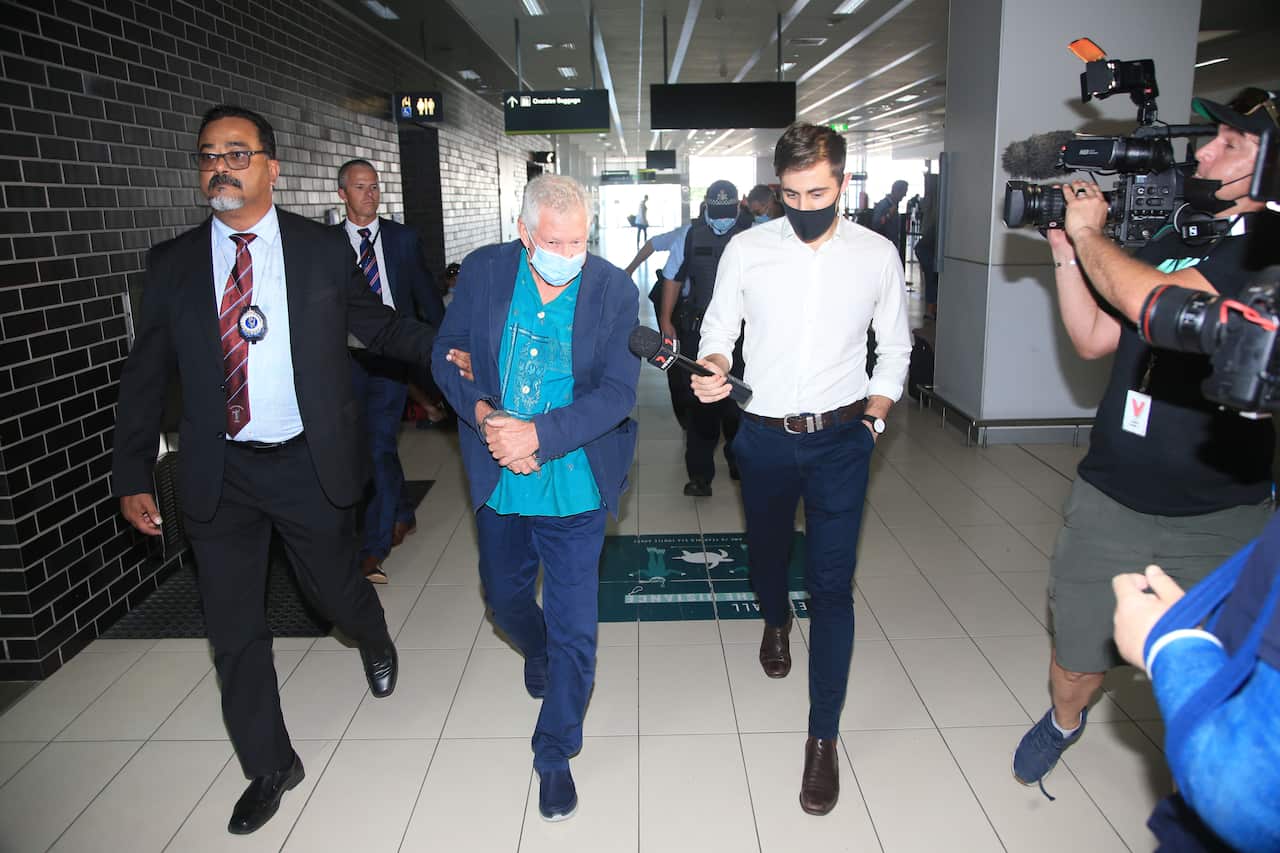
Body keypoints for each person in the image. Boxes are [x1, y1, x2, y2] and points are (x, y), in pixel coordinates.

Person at [112, 105, 435, 835]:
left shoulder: (319, 250)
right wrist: (130, 468)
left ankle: (372, 632)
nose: (219, 167)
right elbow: (145, 374)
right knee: (232, 627)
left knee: (332, 593)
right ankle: (269, 763)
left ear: (272, 167)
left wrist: (446, 350)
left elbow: (377, 323)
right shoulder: (172, 265)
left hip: (303, 460)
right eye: (208, 156)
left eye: (237, 153)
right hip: (217, 470)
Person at [1011, 86, 1279, 799]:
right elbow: (1097, 336)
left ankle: (1209, 777)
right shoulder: (1184, 236)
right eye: (1212, 136)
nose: (1208, 150)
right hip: (1112, 490)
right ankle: (1065, 722)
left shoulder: (1266, 253)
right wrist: (1069, 251)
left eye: (1233, 145)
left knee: (1218, 666)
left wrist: (1096, 235)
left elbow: (1155, 306)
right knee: (1076, 658)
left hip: (1222, 510)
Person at [691, 123, 910, 815]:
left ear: (843, 183)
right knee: (766, 555)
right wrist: (715, 367)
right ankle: (774, 617)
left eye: (818, 191)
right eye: (790, 193)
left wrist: (874, 418)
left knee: (834, 585)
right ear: (777, 189)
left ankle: (823, 738)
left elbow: (895, 346)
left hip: (843, 439)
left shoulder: (875, 254)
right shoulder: (748, 248)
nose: (805, 203)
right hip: (761, 436)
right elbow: (718, 328)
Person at [430, 174, 639, 823]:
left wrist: (539, 435)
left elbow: (617, 393)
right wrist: (491, 416)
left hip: (575, 478)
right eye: (554, 241)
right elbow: (445, 356)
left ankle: (555, 750)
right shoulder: (488, 272)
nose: (568, 253)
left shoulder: (612, 289)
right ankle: (538, 648)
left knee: (577, 624)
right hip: (501, 474)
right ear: (525, 234)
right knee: (504, 598)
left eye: (578, 240)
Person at [336, 158, 445, 582]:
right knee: (368, 446)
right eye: (360, 187)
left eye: (375, 187)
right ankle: (401, 509)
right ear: (342, 193)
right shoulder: (326, 244)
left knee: (379, 443)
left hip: (392, 360)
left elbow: (425, 298)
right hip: (345, 361)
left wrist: (444, 349)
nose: (370, 194)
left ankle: (373, 547)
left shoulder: (401, 240)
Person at [672, 180, 751, 496]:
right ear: (706, 206)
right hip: (700, 331)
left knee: (739, 403)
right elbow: (673, 279)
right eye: (717, 211)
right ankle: (700, 475)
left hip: (745, 334)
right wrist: (666, 320)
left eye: (728, 211)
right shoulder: (691, 235)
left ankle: (738, 460)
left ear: (739, 207)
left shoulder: (756, 236)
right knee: (701, 404)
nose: (722, 219)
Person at [870, 179, 909, 252]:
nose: (904, 195)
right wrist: (888, 215)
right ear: (897, 191)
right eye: (903, 192)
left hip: (891, 246)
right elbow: (876, 224)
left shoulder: (894, 205)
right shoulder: (883, 205)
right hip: (884, 247)